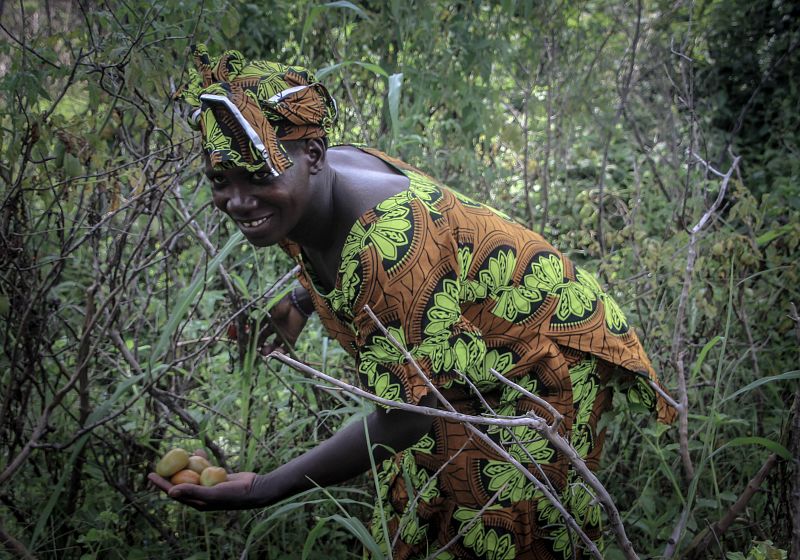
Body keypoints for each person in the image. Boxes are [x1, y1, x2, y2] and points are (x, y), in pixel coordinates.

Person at [149, 44, 675, 559]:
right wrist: (300, 302)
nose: (238, 201)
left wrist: (263, 488)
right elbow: (332, 244)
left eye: (259, 176)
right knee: (432, 500)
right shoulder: (311, 185)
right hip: (460, 355)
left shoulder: (389, 244)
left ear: (312, 156)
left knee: (503, 522)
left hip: (537, 357)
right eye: (221, 179)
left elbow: (407, 417)